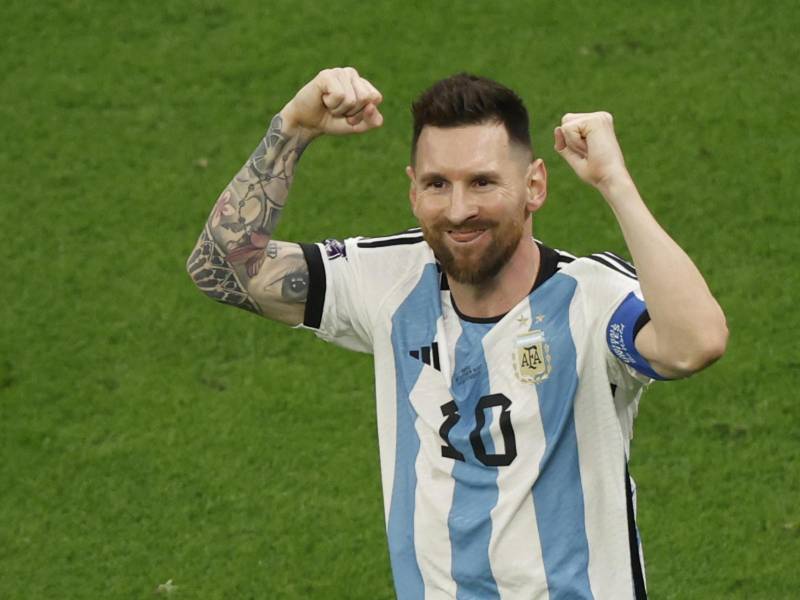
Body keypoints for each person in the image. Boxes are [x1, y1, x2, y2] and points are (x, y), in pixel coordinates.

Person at [187, 67, 728, 599]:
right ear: (412, 190)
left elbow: (695, 344)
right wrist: (295, 126)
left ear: (534, 185)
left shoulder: (589, 297)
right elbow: (219, 266)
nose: (459, 209)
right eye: (437, 184)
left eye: (484, 182)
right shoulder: (391, 279)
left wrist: (615, 183)